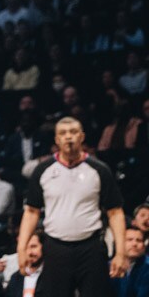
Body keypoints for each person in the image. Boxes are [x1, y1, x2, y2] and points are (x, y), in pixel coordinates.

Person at [17, 117, 128, 297]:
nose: (68, 137)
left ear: (82, 137)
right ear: (56, 140)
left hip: (91, 247)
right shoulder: (43, 170)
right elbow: (31, 212)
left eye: (73, 132)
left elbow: (115, 212)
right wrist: (21, 249)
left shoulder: (99, 169)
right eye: (63, 133)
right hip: (55, 248)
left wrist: (120, 252)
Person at [111, 226, 149, 297]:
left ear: (144, 247)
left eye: (139, 240)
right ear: (118, 244)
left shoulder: (147, 267)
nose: (134, 244)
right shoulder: (108, 267)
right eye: (129, 239)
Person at [5, 232, 43, 297]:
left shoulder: (53, 276)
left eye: (33, 246)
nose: (29, 252)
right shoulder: (15, 278)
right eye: (25, 248)